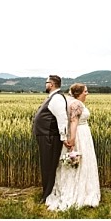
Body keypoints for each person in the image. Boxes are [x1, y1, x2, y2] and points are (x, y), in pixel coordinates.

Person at [46, 83, 101, 211]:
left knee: (80, 162)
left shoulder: (73, 102)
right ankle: (81, 192)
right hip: (80, 135)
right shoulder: (76, 104)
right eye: (85, 91)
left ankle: (83, 189)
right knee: (80, 161)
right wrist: (72, 139)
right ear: (79, 93)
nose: (87, 93)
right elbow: (74, 122)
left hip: (82, 134)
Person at [32, 75, 69, 203]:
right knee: (46, 165)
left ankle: (47, 195)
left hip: (50, 137)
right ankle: (47, 192)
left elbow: (62, 118)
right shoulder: (53, 97)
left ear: (51, 84)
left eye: (46, 82)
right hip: (46, 136)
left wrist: (63, 137)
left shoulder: (57, 98)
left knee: (49, 166)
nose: (45, 84)